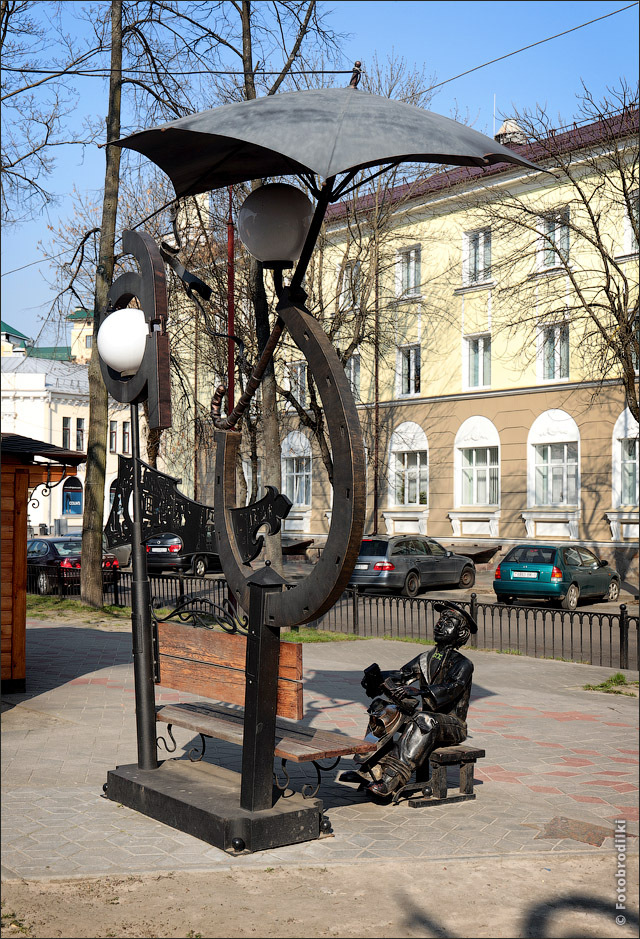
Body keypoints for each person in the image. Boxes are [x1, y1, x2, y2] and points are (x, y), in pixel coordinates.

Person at [352, 600, 478, 798]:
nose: (440, 624)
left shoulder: (464, 664)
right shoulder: (426, 658)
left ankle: (393, 777)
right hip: (430, 717)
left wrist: (419, 692)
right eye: (440, 619)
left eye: (448, 622)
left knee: (423, 719)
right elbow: (402, 675)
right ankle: (370, 766)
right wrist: (377, 679)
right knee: (383, 708)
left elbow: (451, 688)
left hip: (453, 724)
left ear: (461, 633)